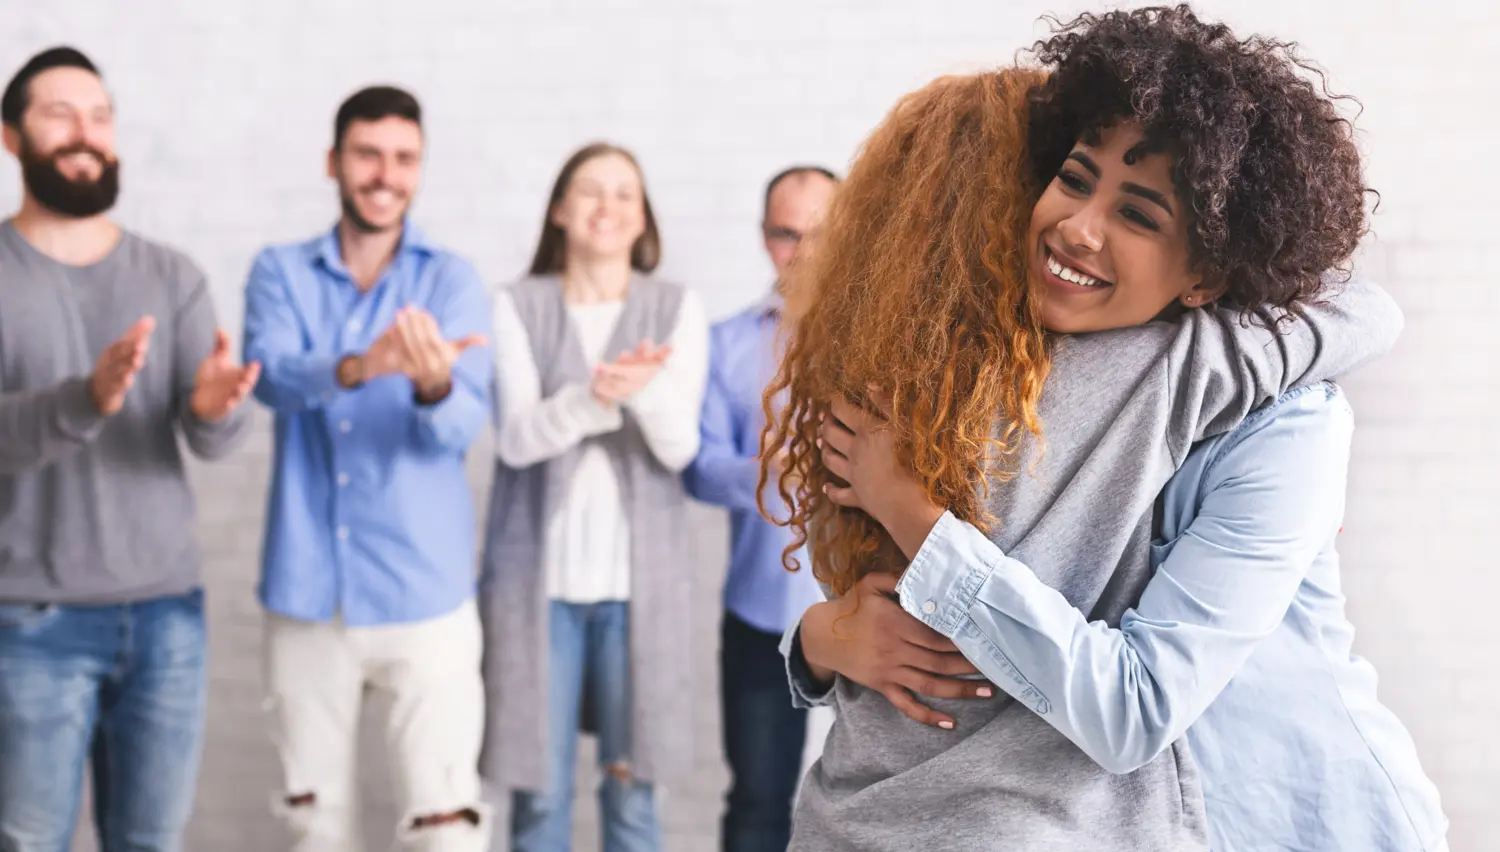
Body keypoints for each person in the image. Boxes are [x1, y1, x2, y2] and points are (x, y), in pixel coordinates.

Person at [761, 10, 1439, 851]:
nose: (1080, 226)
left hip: (1275, 808)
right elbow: (896, 614)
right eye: (1074, 180)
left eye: (1142, 215)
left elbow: (1136, 706)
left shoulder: (1274, 414)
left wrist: (910, 513)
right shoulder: (980, 374)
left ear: (1209, 272)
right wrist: (821, 640)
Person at [0, 46, 257, 851]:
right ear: (10, 137)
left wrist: (214, 409)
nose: (87, 133)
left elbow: (210, 443)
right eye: (61, 114)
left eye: (101, 116)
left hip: (165, 618)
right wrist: (87, 398)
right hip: (28, 621)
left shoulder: (171, 275)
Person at [241, 84, 494, 852]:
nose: (386, 173)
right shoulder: (278, 272)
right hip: (308, 591)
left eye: (404, 158)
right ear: (334, 162)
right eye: (368, 154)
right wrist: (359, 366)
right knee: (313, 826)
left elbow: (458, 429)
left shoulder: (450, 280)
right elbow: (274, 378)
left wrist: (430, 382)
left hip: (426, 592)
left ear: (419, 170)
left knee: (444, 827)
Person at [480, 142, 710, 852]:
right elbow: (517, 441)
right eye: (589, 190)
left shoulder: (676, 307)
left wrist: (634, 398)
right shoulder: (518, 304)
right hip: (536, 591)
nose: (606, 207)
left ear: (643, 218)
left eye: (624, 194)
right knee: (539, 803)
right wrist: (597, 397)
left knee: (633, 800)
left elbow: (679, 450)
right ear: (559, 208)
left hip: (640, 595)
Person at [684, 165, 838, 852]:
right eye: (785, 234)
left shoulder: (893, 338)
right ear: (763, 239)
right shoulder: (725, 342)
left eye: (820, 232)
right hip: (763, 614)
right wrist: (767, 467)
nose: (802, 251)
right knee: (757, 803)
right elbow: (697, 468)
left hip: (877, 611)